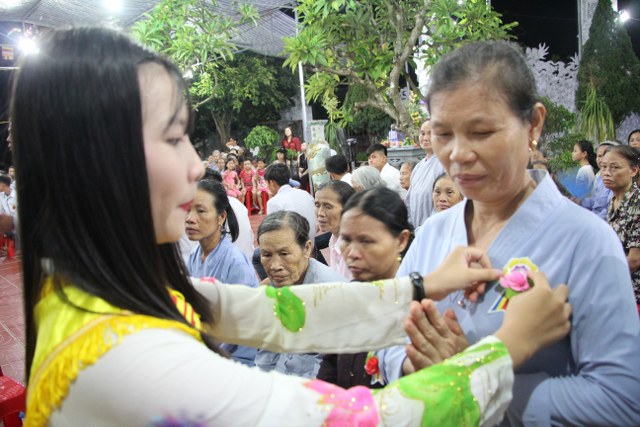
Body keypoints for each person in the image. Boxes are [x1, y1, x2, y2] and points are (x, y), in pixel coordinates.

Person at [14, 27, 572, 426]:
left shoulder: (113, 294)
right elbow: (359, 418)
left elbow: (285, 312)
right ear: (95, 159)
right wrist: (507, 347)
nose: (195, 164)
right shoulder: (122, 357)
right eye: (172, 136)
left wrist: (425, 285)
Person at [378, 40, 640, 425]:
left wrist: (471, 381)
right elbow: (387, 336)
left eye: (481, 132)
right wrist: (413, 366)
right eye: (443, 134)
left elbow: (620, 400)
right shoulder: (433, 232)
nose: (458, 154)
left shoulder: (587, 241)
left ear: (533, 124)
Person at [317, 186, 414, 388]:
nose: (352, 253)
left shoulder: (415, 307)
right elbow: (330, 366)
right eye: (346, 239)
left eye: (366, 241)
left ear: (401, 240)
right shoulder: (349, 296)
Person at [254, 211, 346, 377]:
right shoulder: (276, 285)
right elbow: (268, 350)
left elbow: (326, 369)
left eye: (284, 254)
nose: (275, 266)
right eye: (266, 255)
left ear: (307, 249)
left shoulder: (330, 295)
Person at [185, 179, 258, 366]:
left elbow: (242, 323)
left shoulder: (235, 262)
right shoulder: (194, 256)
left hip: (235, 358)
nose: (190, 219)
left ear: (221, 217)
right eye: (187, 210)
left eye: (201, 211)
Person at [601, 145, 640, 305]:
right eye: (603, 167)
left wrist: (599, 277)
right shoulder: (614, 200)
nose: (606, 172)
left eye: (615, 167)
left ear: (633, 171)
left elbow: (634, 261)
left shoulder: (637, 203)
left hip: (632, 293)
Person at [404, 120, 444, 227]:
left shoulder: (443, 165)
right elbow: (409, 200)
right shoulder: (418, 167)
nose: (425, 138)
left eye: (430, 133)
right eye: (422, 133)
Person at [314, 181, 355, 279]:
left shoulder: (354, 249)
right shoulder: (334, 240)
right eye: (317, 205)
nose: (320, 213)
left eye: (328, 207)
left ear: (348, 208)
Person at [583, 140, 619, 220]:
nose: (602, 160)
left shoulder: (617, 179)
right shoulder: (598, 176)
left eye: (605, 155)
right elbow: (594, 201)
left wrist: (591, 220)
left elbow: (609, 210)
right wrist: (579, 202)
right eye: (599, 156)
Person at [571, 139, 598, 203]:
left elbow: (579, 193)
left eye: (575, 151)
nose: (572, 153)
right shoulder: (590, 168)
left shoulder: (583, 170)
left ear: (584, 154)